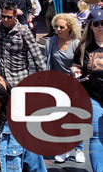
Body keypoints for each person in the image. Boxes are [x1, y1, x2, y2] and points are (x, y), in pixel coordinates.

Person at [43, 13, 85, 163]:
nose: (58, 29)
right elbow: (47, 63)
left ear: (70, 28)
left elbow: (81, 65)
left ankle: (79, 148)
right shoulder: (51, 42)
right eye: (56, 26)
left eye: (62, 27)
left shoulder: (76, 43)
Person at [72, 6, 103, 171]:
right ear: (90, 26)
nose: (100, 26)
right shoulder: (84, 48)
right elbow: (76, 66)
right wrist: (76, 72)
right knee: (97, 135)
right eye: (97, 23)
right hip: (92, 96)